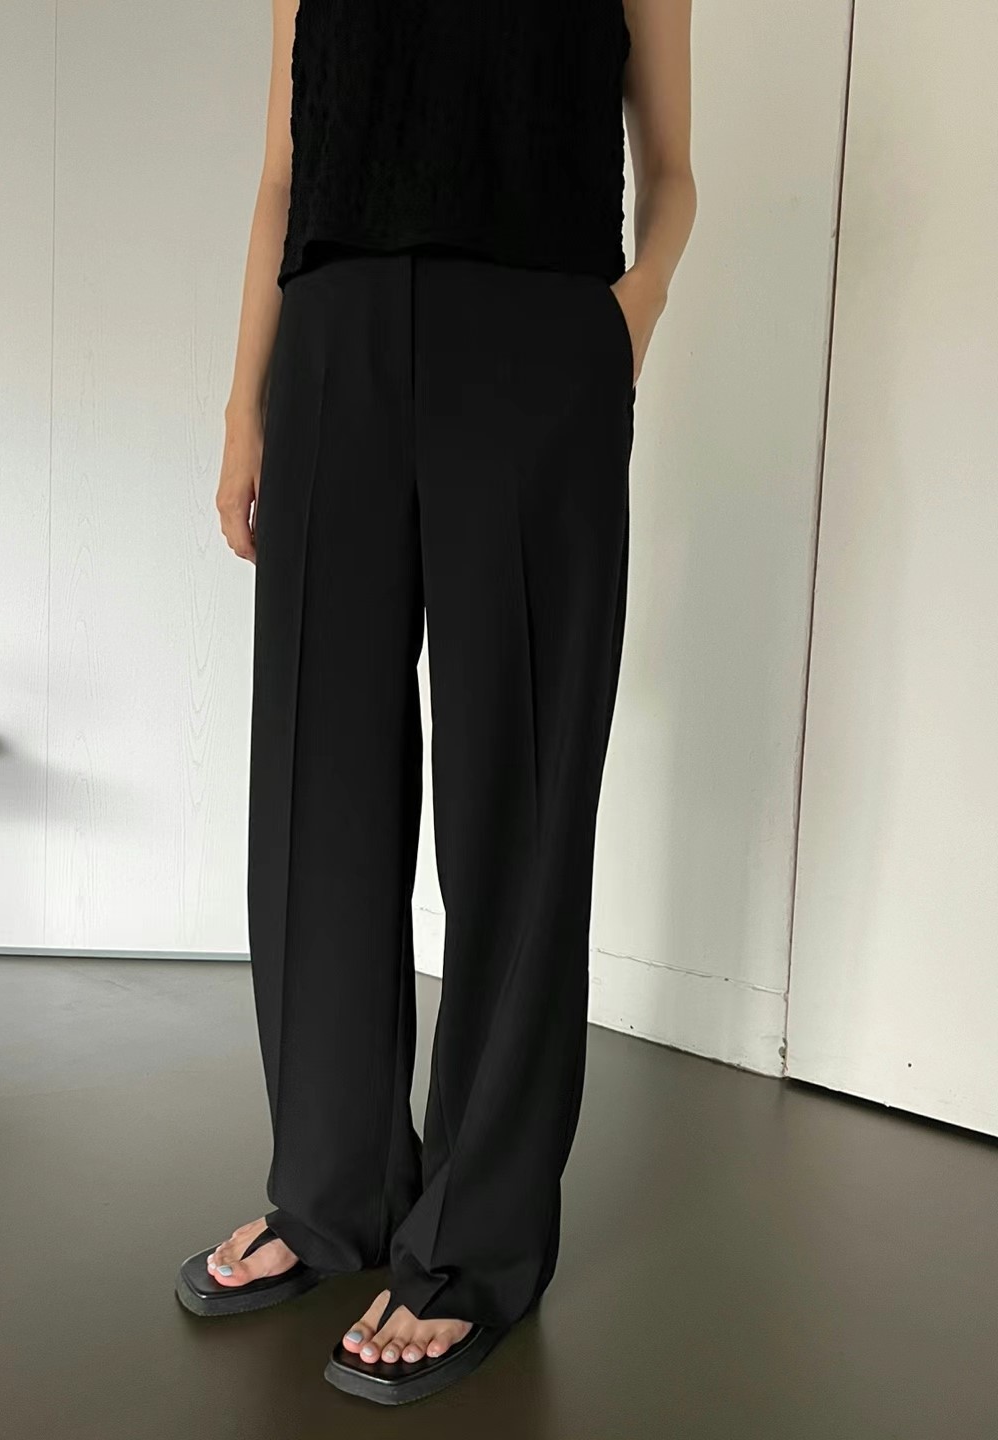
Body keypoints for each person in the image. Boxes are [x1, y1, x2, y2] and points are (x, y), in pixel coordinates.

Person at [176, 0, 695, 1405]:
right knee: (321, 789)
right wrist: (244, 404)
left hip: (538, 341)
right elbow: (286, 174)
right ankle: (330, 1192)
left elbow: (673, 172)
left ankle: (473, 1242)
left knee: (511, 803)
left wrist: (624, 322)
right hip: (333, 338)